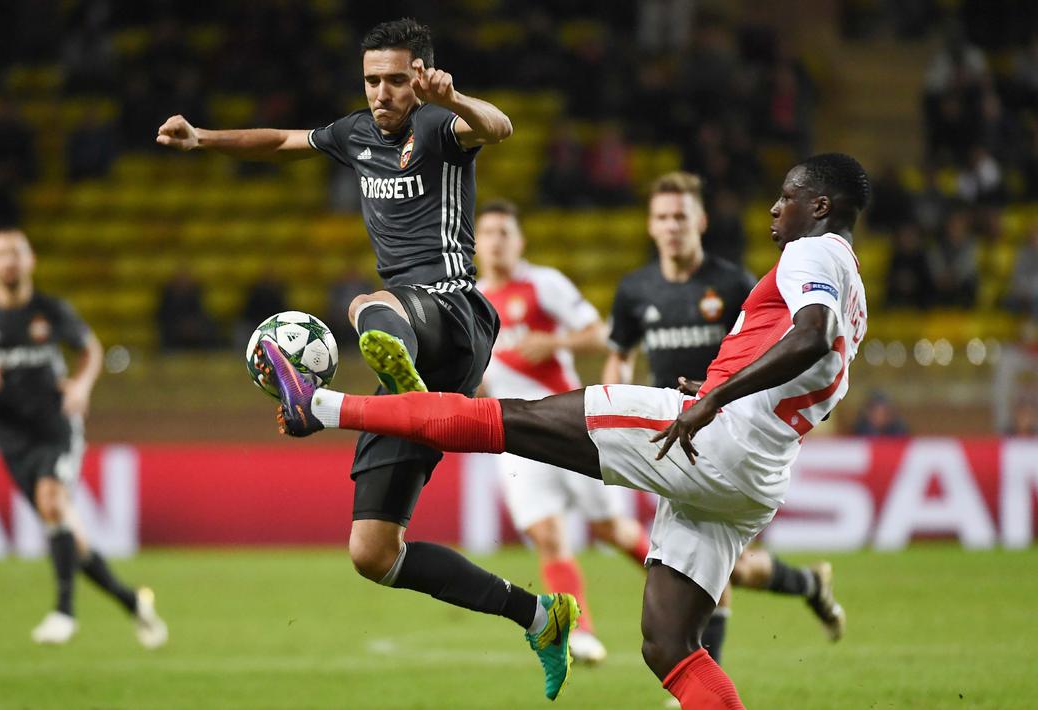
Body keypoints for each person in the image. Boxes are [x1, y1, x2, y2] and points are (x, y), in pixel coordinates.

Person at [264, 154, 871, 709]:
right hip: (757, 474)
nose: (774, 207)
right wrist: (722, 386)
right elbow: (817, 362)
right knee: (668, 645)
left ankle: (321, 406)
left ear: (820, 207)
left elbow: (810, 334)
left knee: (507, 421)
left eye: (788, 196)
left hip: (714, 439)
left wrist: (715, 397)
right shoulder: (856, 287)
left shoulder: (811, 253)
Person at [158, 19, 579, 699]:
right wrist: (202, 138)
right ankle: (538, 617)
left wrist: (457, 98)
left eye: (393, 80)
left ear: (419, 77)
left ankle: (387, 382)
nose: (381, 93)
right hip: (412, 335)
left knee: (361, 305)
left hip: (454, 313)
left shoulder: (443, 128)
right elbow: (286, 141)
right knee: (373, 553)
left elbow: (498, 129)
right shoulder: (354, 134)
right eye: (371, 80)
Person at [603, 171, 846, 669]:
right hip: (669, 435)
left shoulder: (734, 282)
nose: (672, 227)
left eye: (681, 216)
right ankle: (808, 583)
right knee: (729, 569)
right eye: (663, 217)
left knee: (715, 570)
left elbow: (777, 343)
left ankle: (700, 676)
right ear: (650, 226)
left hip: (729, 435)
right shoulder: (634, 289)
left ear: (701, 221)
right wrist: (615, 395)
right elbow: (620, 354)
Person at [0, 228, 168, 648]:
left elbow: (92, 349)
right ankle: (133, 603)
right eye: (1, 253)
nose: (9, 261)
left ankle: (64, 612)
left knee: (51, 500)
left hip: (56, 427)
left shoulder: (51, 311)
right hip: (12, 440)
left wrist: (80, 387)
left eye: (17, 253)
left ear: (30, 262)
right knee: (69, 535)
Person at [474, 200, 651, 665]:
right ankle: (581, 631)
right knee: (548, 535)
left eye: (504, 232)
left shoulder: (543, 283)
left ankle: (682, 583)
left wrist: (552, 342)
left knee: (611, 528)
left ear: (520, 241)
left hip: (567, 425)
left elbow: (602, 333)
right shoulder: (471, 301)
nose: (496, 241)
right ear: (475, 243)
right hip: (513, 436)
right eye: (488, 232)